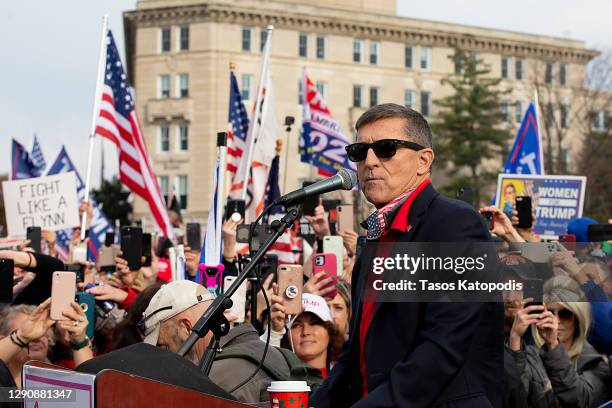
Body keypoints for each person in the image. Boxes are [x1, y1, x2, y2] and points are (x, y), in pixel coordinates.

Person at [310, 103, 504, 407]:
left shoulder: (455, 224)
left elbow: (443, 347)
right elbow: (355, 353)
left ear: (423, 160)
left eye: (386, 149)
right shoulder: (375, 236)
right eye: (359, 152)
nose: (370, 161)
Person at [139, 280, 303, 403]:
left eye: (163, 346)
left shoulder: (211, 382)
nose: (162, 356)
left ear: (187, 327)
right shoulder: (268, 352)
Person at [508, 276, 611, 407]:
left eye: (565, 314)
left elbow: (580, 399)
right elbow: (513, 398)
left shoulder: (597, 362)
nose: (555, 321)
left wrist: (553, 345)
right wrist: (515, 337)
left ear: (578, 319)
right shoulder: (527, 356)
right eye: (549, 313)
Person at [281, 293, 345, 379]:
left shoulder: (347, 379)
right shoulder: (276, 380)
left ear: (330, 331)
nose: (305, 332)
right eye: (296, 325)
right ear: (287, 336)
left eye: (314, 323)